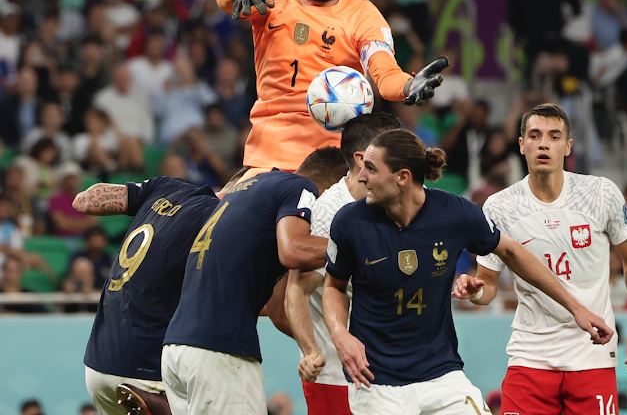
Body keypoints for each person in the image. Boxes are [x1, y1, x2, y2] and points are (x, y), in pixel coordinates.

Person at [322, 129, 613, 415]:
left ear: (402, 177)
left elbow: (512, 251)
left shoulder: (455, 213)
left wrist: (576, 307)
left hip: (442, 375)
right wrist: (339, 333)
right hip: (376, 383)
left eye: (371, 169)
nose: (361, 177)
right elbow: (333, 287)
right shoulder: (349, 222)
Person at [453, 103, 627, 414]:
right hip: (530, 356)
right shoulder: (499, 207)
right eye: (534, 135)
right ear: (521, 145)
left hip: (592, 355)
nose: (544, 143)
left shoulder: (601, 194)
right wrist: (475, 291)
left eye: (554, 136)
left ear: (568, 145)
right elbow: (488, 286)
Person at [215, 0, 446, 175]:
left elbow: (385, 71)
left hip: (336, 164)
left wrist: (406, 85)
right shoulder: (274, 3)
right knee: (221, 213)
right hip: (269, 160)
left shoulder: (364, 15)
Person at [161, 147, 349, 414]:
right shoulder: (300, 187)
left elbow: (276, 305)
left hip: (176, 348)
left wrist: (312, 348)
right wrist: (359, 246)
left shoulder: (249, 187)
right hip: (220, 349)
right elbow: (294, 249)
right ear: (333, 186)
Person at [74, 165, 250, 415]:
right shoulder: (225, 221)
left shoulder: (165, 187)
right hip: (148, 375)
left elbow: (83, 201)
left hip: (98, 364)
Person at [285, 113, 401, 415]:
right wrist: (311, 352)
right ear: (363, 159)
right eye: (394, 148)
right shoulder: (328, 213)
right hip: (338, 378)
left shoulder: (398, 201)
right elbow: (296, 290)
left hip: (391, 369)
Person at [507, 0, 580, 85]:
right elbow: (576, 4)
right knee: (556, 68)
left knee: (530, 69)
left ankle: (530, 94)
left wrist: (518, 33)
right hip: (552, 35)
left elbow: (512, 14)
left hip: (529, 37)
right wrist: (568, 18)